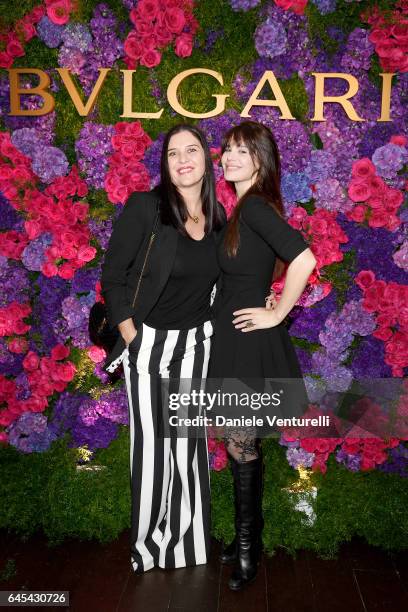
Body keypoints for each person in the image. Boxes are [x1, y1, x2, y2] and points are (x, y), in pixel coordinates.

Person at [100, 123, 226, 574]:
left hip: (196, 345)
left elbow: (222, 284)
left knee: (188, 448)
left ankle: (189, 545)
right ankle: (148, 549)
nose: (184, 159)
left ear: (207, 160)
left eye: (192, 150)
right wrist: (134, 338)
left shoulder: (217, 216)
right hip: (149, 343)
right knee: (153, 450)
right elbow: (112, 276)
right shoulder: (146, 208)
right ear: (165, 163)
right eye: (174, 153)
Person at [207, 121, 317, 590]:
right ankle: (243, 540)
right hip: (234, 339)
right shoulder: (245, 209)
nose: (229, 158)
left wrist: (277, 314)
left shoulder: (252, 207)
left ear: (260, 161)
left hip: (248, 343)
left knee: (241, 443)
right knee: (238, 443)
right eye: (227, 150)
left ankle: (248, 553)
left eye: (241, 151)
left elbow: (305, 259)